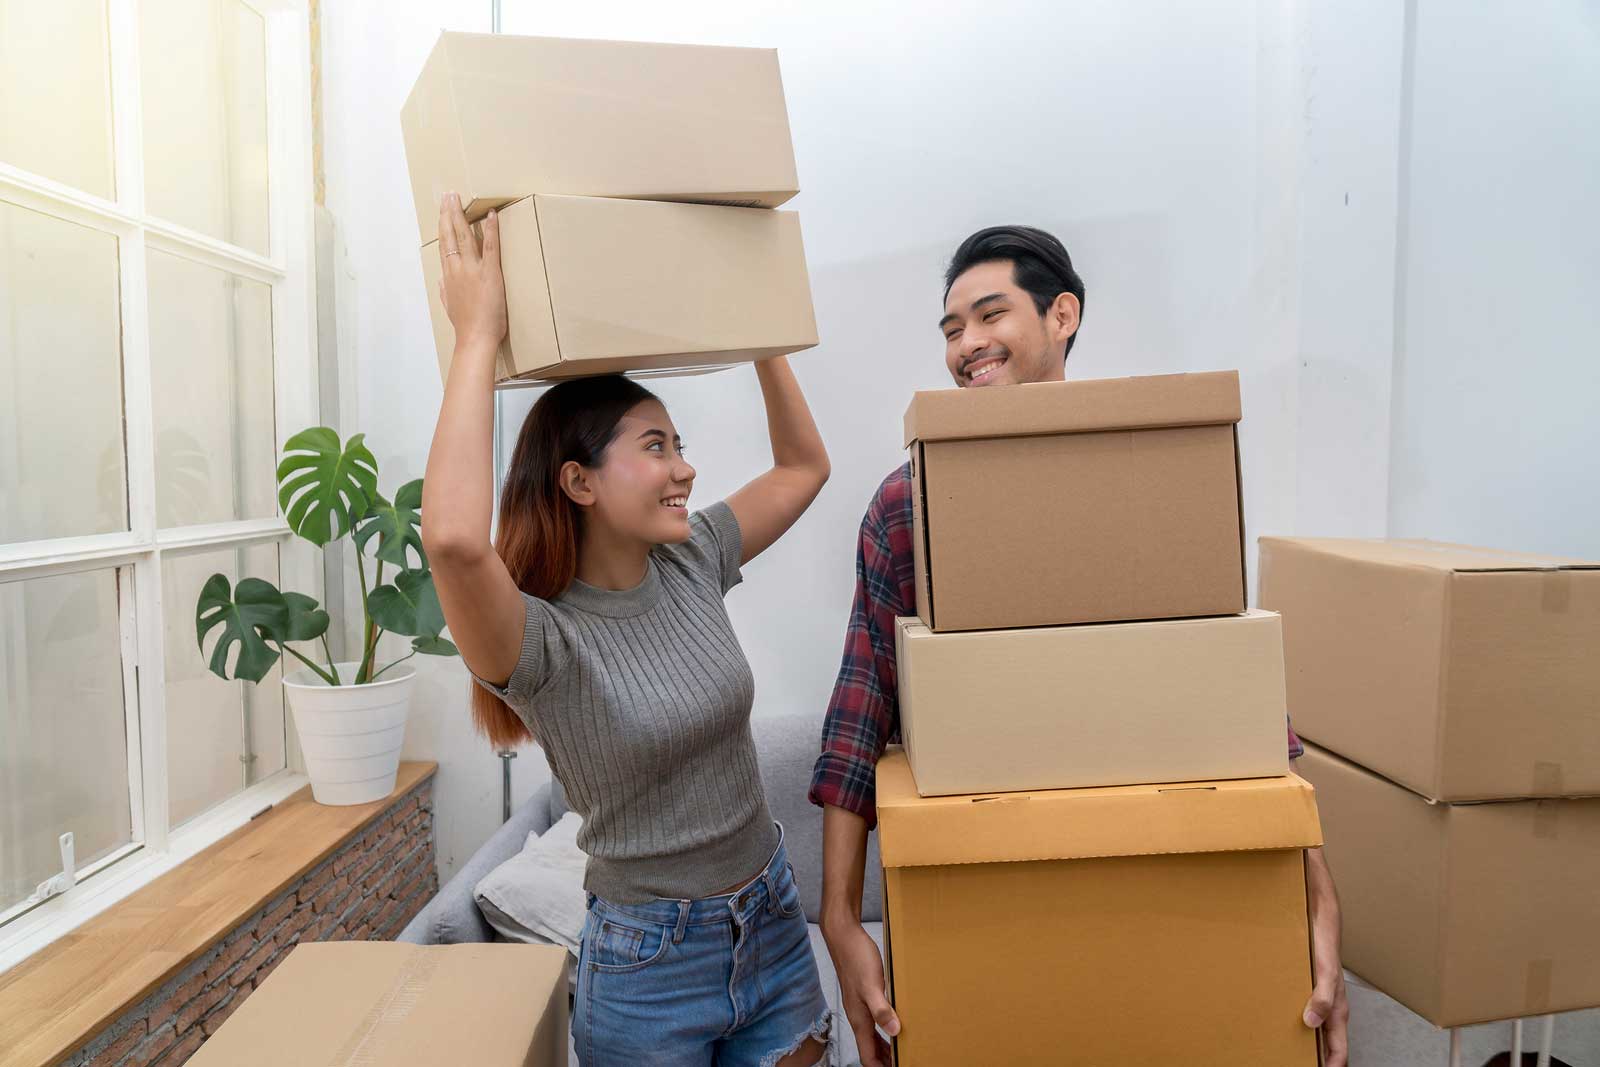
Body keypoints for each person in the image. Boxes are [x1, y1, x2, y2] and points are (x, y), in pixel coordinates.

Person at [808, 225, 1351, 1067]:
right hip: (988, 879)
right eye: (952, 329)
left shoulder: (1151, 472)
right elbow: (859, 713)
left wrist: (1314, 884)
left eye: (990, 315)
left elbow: (1225, 676)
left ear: (1063, 314)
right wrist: (841, 919)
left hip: (1162, 875)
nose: (967, 345)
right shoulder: (906, 505)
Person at [423, 193, 834, 1067]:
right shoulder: (538, 645)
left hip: (771, 923)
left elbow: (805, 466)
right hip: (649, 970)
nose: (685, 467)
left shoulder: (693, 558)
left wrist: (760, 325)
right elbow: (456, 540)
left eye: (678, 443)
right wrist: (475, 336)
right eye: (656, 446)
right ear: (578, 481)